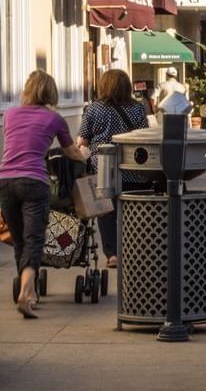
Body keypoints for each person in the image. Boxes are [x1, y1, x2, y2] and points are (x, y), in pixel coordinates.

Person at [1, 71, 89, 317]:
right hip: (34, 182)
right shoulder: (55, 119)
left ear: (27, 89)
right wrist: (84, 155)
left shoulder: (9, 115)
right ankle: (26, 291)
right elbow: (71, 152)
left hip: (5, 181)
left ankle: (29, 291)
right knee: (35, 239)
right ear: (51, 92)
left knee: (18, 240)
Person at [74, 68, 150, 268]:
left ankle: (112, 254)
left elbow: (82, 141)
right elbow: (144, 136)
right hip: (133, 167)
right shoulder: (138, 108)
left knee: (106, 212)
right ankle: (133, 251)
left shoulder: (93, 109)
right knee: (132, 212)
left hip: (103, 169)